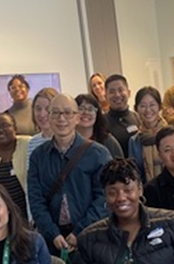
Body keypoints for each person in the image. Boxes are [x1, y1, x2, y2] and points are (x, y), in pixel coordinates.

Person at [28, 94, 112, 255]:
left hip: (92, 236)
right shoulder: (38, 156)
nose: (62, 118)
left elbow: (104, 197)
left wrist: (79, 232)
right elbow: (35, 199)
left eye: (67, 113)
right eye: (56, 113)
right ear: (49, 117)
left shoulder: (98, 154)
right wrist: (52, 233)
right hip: (52, 240)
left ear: (77, 118)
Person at [0, 112, 31, 219]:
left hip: (27, 210)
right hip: (2, 214)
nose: (0, 130)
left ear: (15, 128)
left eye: (5, 125)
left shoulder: (27, 143)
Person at [129, 86, 168, 182]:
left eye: (152, 105)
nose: (148, 110)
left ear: (160, 107)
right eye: (143, 106)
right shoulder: (134, 141)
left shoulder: (171, 135)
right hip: (147, 191)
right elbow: (135, 174)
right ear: (136, 109)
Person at [76, 93, 124, 158]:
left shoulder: (108, 142)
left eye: (91, 109)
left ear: (97, 114)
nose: (86, 112)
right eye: (81, 109)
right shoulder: (66, 141)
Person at [104, 74, 141, 153]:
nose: (117, 95)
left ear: (129, 93)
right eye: (112, 92)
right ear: (105, 96)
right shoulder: (101, 122)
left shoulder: (138, 118)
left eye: (120, 90)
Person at [26, 87, 60, 164]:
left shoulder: (67, 139)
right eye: (38, 109)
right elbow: (31, 174)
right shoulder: (32, 142)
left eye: (48, 109)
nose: (42, 114)